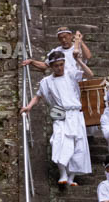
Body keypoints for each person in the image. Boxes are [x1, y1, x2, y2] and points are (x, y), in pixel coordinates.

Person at [20, 49, 93, 186]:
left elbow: (89, 74)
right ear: (51, 67)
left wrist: (78, 60)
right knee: (58, 141)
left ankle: (72, 177)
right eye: (56, 66)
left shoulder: (71, 74)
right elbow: (38, 96)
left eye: (61, 64)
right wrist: (28, 107)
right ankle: (63, 173)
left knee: (78, 146)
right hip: (60, 114)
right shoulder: (46, 82)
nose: (59, 68)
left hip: (75, 114)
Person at [21, 27, 93, 77]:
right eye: (61, 38)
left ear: (71, 36)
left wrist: (80, 41)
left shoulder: (78, 48)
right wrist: (31, 62)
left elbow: (88, 56)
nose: (64, 40)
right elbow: (45, 65)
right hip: (64, 82)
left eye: (65, 37)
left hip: (79, 80)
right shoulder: (56, 51)